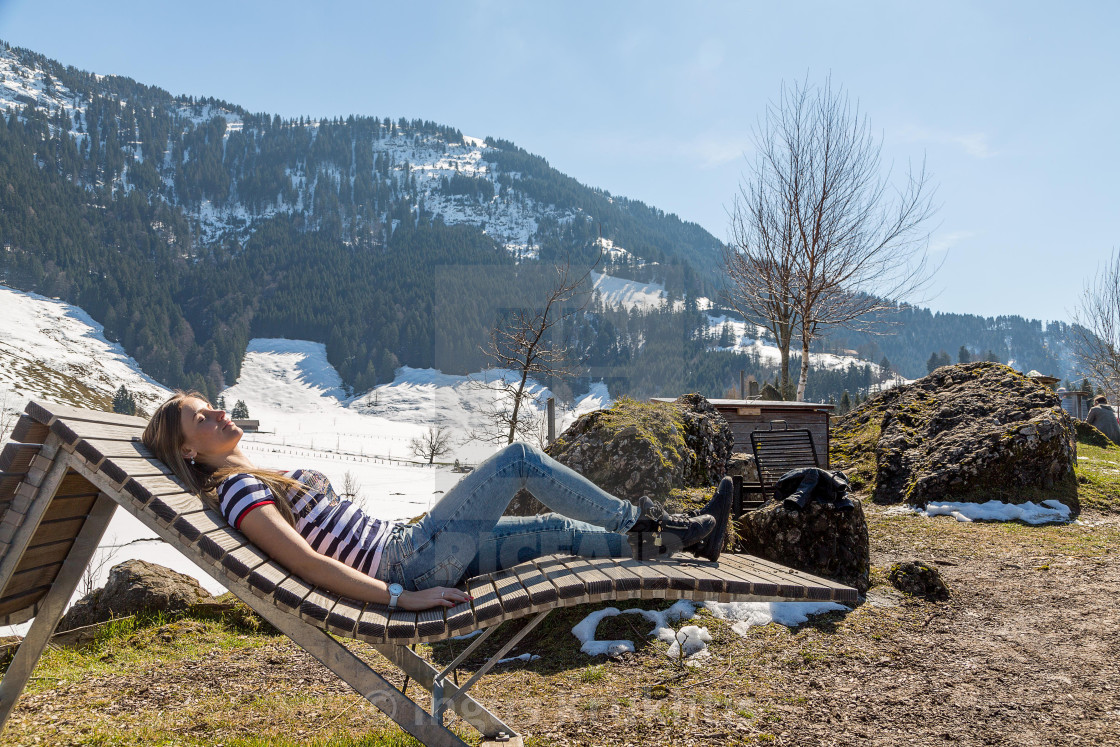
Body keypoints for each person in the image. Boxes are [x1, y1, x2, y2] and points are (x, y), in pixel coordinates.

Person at [142, 391, 733, 612]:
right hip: (409, 562)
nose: (219, 412)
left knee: (552, 526)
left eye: (210, 406)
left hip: (413, 547)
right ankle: (643, 519)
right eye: (202, 416)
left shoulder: (253, 473)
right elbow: (306, 564)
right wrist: (402, 596)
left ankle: (678, 540)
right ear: (189, 451)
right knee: (519, 460)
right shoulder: (242, 491)